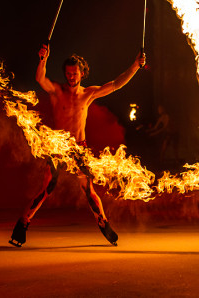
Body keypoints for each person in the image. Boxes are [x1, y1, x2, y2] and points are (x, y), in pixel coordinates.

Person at [9, 44, 146, 247]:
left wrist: (135, 66)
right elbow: (40, 78)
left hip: (79, 148)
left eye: (75, 73)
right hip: (58, 147)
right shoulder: (57, 91)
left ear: (82, 73)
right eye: (68, 73)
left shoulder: (88, 94)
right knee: (47, 188)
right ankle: (22, 225)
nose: (71, 77)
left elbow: (116, 84)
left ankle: (104, 224)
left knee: (89, 191)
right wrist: (43, 59)